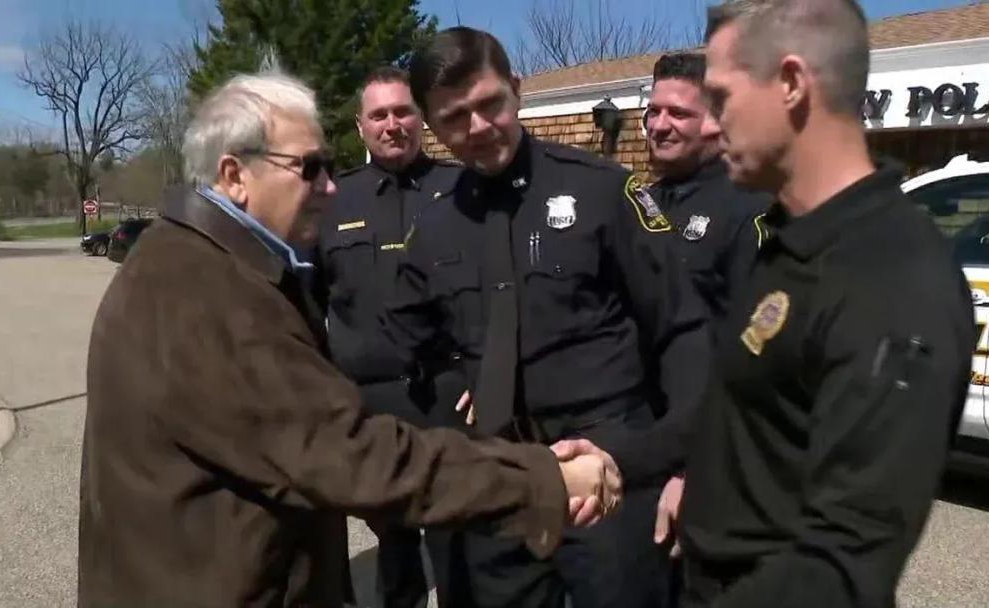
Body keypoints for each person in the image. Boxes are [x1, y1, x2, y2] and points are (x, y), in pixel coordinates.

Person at [77, 67, 623, 608]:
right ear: (234, 175)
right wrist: (542, 481)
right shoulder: (204, 293)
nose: (329, 187)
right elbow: (347, 455)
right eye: (308, 169)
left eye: (329, 167)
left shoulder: (194, 260)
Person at [385, 27, 712, 608]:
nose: (479, 127)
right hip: (504, 480)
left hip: (610, 473)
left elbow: (682, 330)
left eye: (490, 104)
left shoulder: (604, 191)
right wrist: (464, 382)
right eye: (456, 117)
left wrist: (685, 462)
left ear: (516, 89)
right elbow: (413, 340)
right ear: (432, 127)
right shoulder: (433, 226)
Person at [678, 2, 975, 607]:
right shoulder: (790, 240)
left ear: (790, 84)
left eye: (721, 97)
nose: (710, 124)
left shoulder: (892, 278)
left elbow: (843, 566)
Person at [312, 66, 468, 608]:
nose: (392, 124)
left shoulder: (463, 190)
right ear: (360, 127)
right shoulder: (333, 200)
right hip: (370, 398)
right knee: (392, 538)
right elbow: (310, 303)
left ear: (421, 117)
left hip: (450, 392)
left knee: (457, 534)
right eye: (379, 114)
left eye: (403, 111)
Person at [640, 51, 772, 564]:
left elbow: (753, 355)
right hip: (641, 443)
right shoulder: (640, 202)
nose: (659, 125)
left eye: (678, 113)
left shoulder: (748, 209)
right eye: (653, 111)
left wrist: (694, 468)